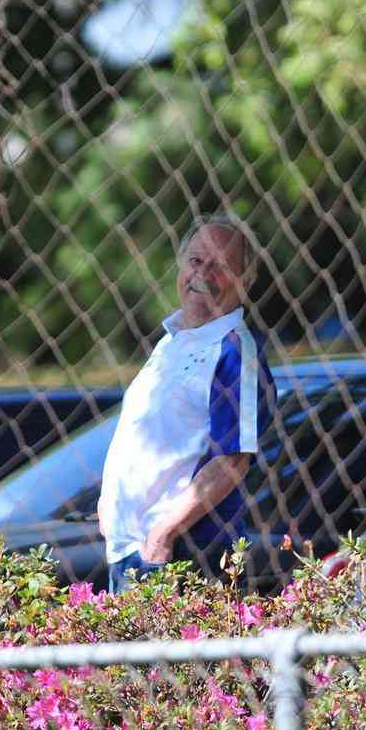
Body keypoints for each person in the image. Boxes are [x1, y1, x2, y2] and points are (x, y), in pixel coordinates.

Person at [98, 213, 275, 594]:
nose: (204, 274)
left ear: (245, 281)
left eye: (222, 266)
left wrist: (163, 534)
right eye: (196, 261)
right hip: (130, 550)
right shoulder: (172, 340)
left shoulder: (234, 351)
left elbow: (232, 461)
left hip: (182, 554)